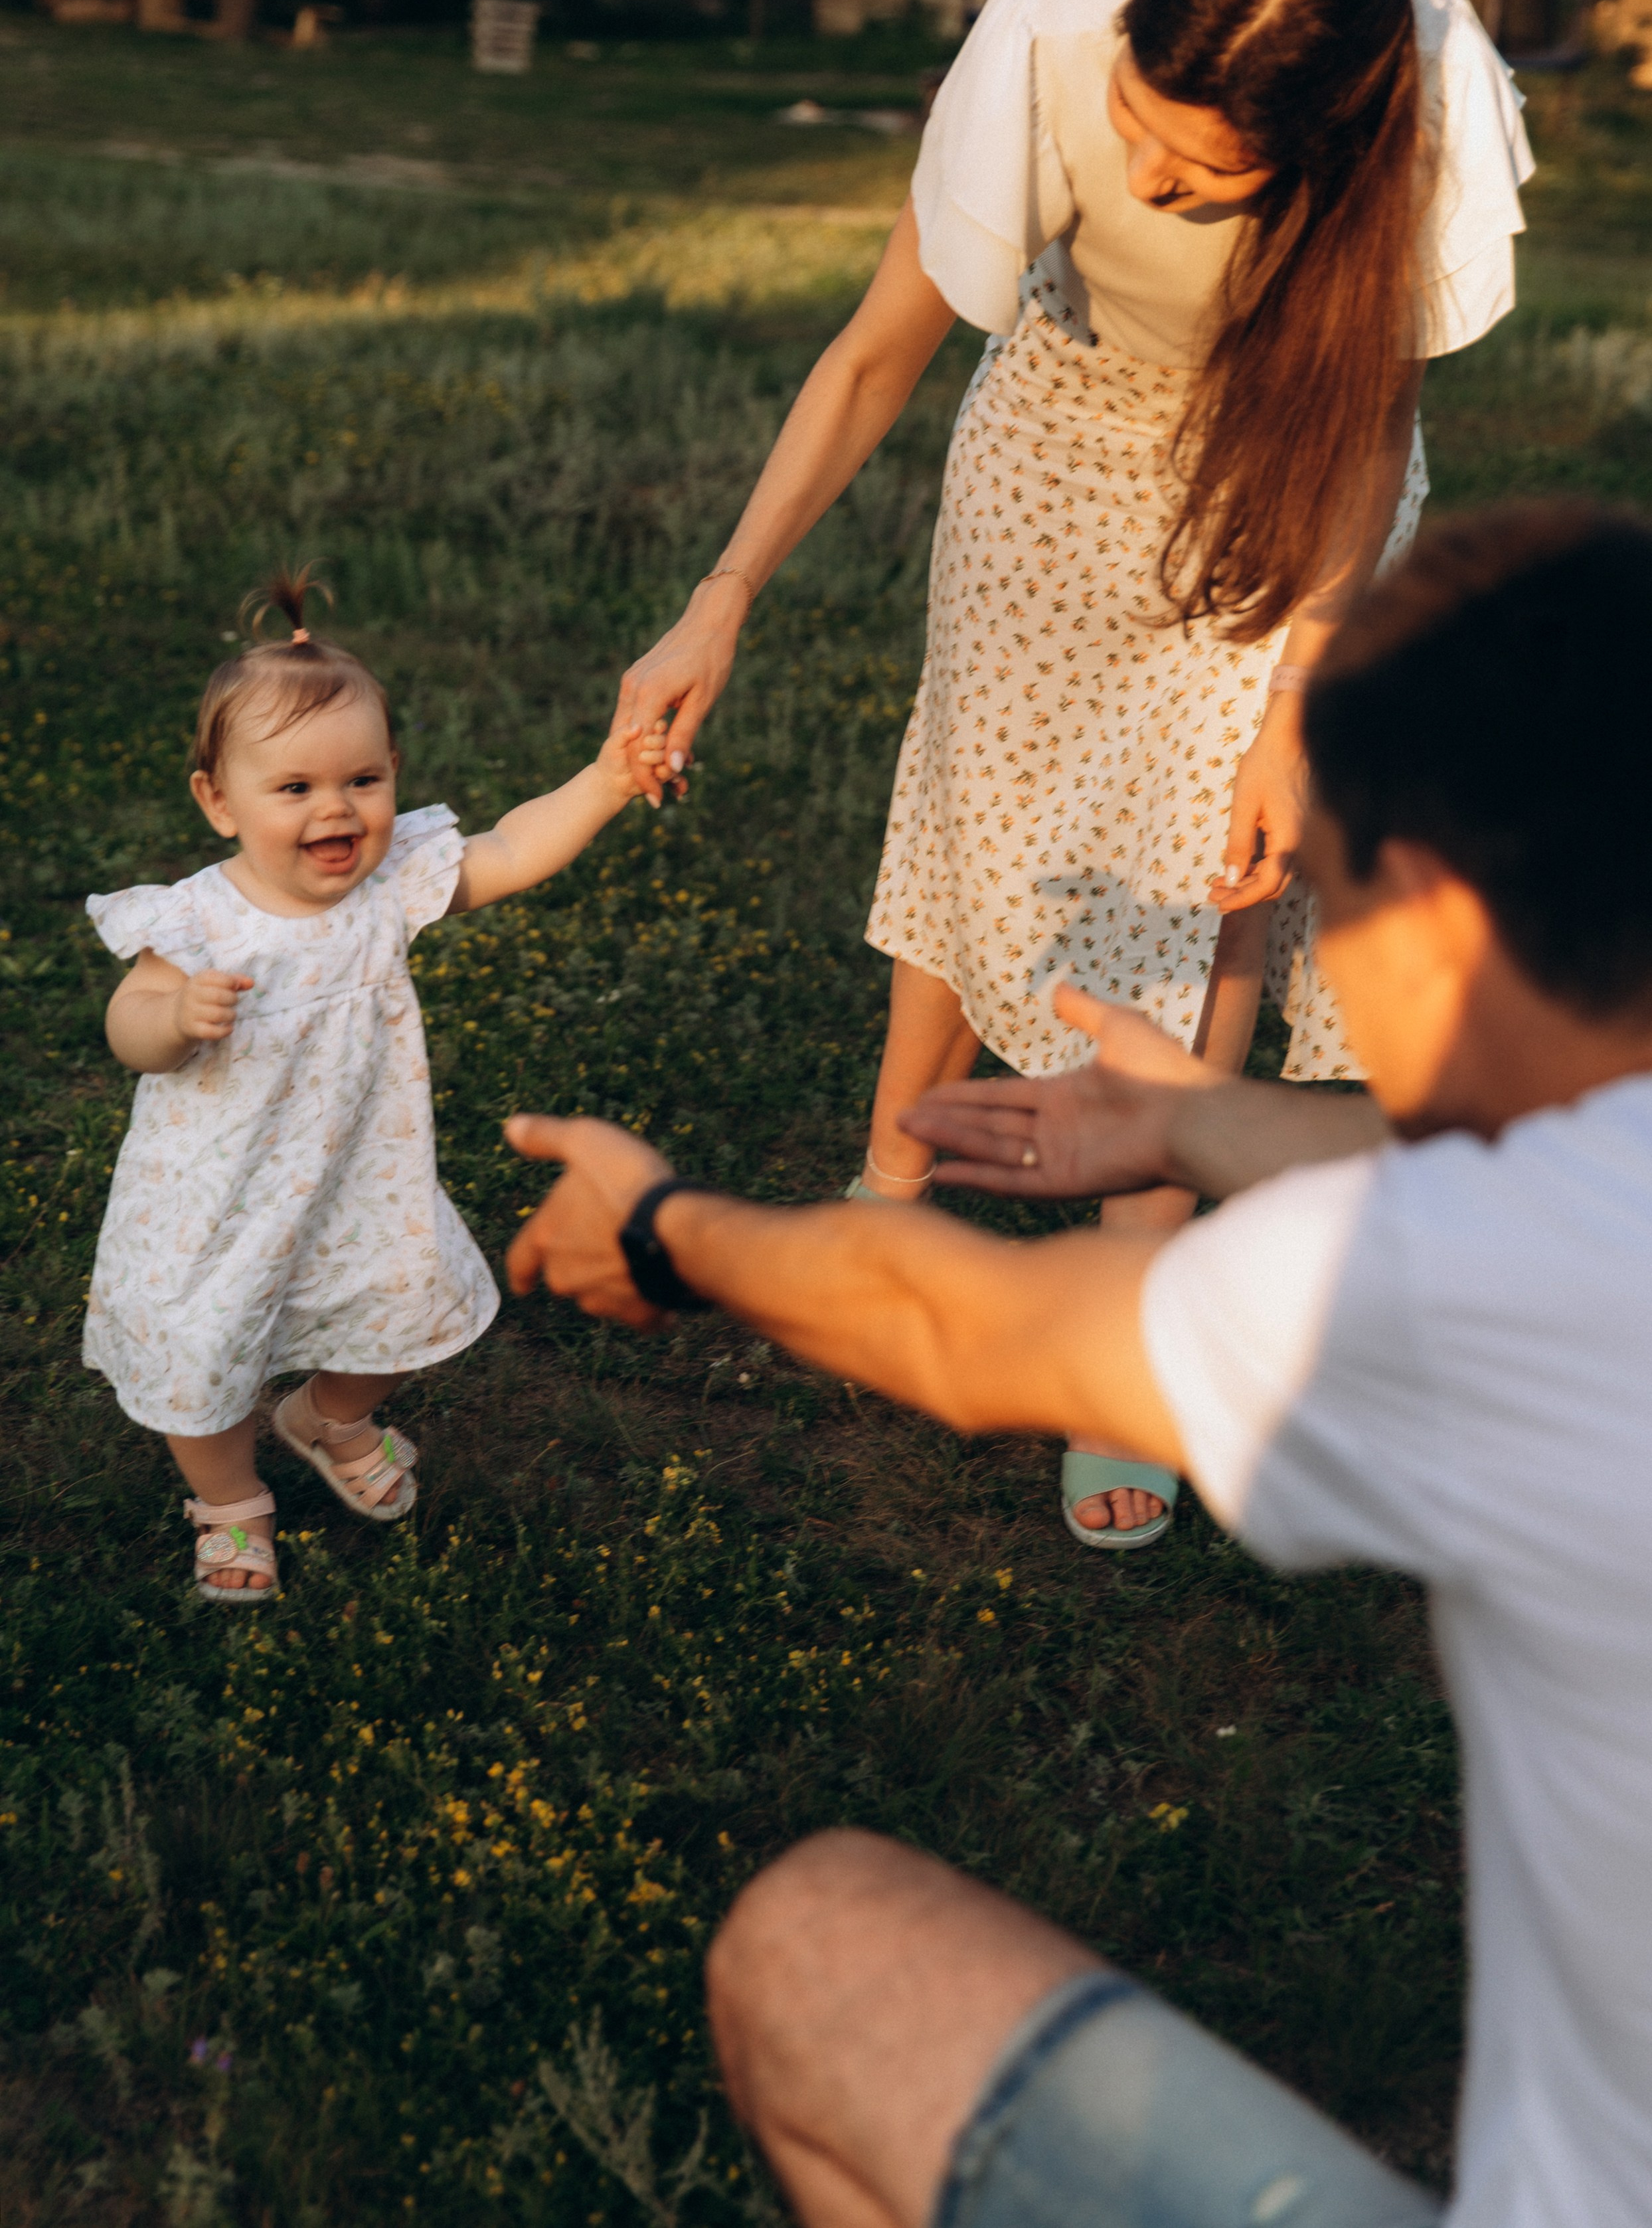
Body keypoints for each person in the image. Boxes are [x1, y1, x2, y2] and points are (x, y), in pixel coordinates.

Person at [506, 503, 1652, 2227]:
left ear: (1426, 910)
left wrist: (671, 1230)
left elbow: (961, 1328)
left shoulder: (1467, 1283)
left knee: (817, 1953)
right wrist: (1200, 1121)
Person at [610, 0, 1533, 1549]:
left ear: (1317, 139)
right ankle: (889, 1186)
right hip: (1056, 445)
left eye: (1203, 168)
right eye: (1136, 124)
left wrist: (1292, 700)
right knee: (985, 803)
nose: (1149, 175)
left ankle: (1131, 1321)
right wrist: (720, 594)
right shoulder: (1042, 32)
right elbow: (873, 353)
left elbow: (1365, 427)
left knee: (1215, 880)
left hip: (1288, 484)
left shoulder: (1423, 106)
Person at [83, 569, 661, 1603]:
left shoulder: (388, 887)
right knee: (204, 1349)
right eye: (295, 789)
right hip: (217, 1197)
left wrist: (608, 778)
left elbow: (511, 848)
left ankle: (328, 1415)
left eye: (361, 779)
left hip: (358, 1173)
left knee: (403, 1301)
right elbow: (129, 1025)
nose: (336, 808)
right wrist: (172, 1019)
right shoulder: (198, 919)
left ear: (394, 773)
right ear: (219, 802)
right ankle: (229, 1499)